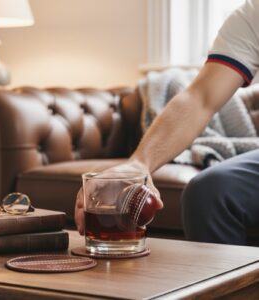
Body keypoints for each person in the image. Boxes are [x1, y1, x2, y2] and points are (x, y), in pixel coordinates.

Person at [75, 0, 259, 245]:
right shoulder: (252, 15)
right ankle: (230, 284)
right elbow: (200, 98)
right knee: (207, 192)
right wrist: (139, 164)